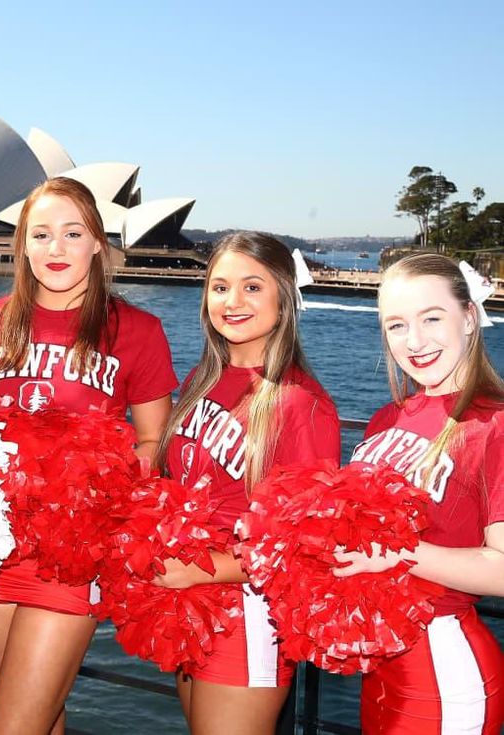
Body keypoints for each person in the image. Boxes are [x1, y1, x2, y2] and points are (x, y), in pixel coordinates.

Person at [0, 177, 178, 734]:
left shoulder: (138, 330)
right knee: (36, 713)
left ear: (98, 242)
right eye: (41, 234)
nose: (56, 249)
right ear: (22, 245)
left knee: (12, 725)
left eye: (72, 233)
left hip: (72, 558)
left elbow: (154, 441)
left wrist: (102, 487)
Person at [152, 232, 340, 735]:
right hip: (190, 604)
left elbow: (306, 547)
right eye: (219, 287)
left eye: (252, 287)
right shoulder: (200, 381)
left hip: (249, 613)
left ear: (283, 299)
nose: (231, 302)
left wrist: (199, 570)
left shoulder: (302, 404)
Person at [335, 253, 504, 735]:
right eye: (396, 325)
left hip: (442, 673)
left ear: (469, 317)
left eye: (432, 318)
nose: (414, 340)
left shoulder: (494, 425)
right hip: (380, 665)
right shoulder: (387, 418)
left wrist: (396, 553)